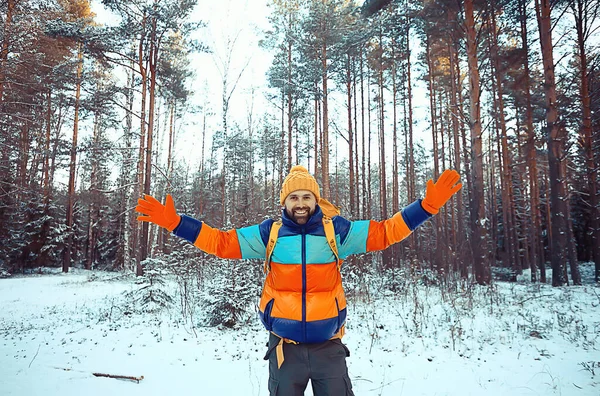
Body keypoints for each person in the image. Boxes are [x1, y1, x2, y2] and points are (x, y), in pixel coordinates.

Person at [136, 165, 462, 396]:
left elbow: (387, 232)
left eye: (307, 196)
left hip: (328, 347)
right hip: (284, 350)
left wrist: (426, 207)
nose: (301, 203)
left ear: (316, 200)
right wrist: (176, 223)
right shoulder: (270, 234)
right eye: (294, 198)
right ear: (284, 202)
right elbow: (221, 243)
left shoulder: (338, 232)